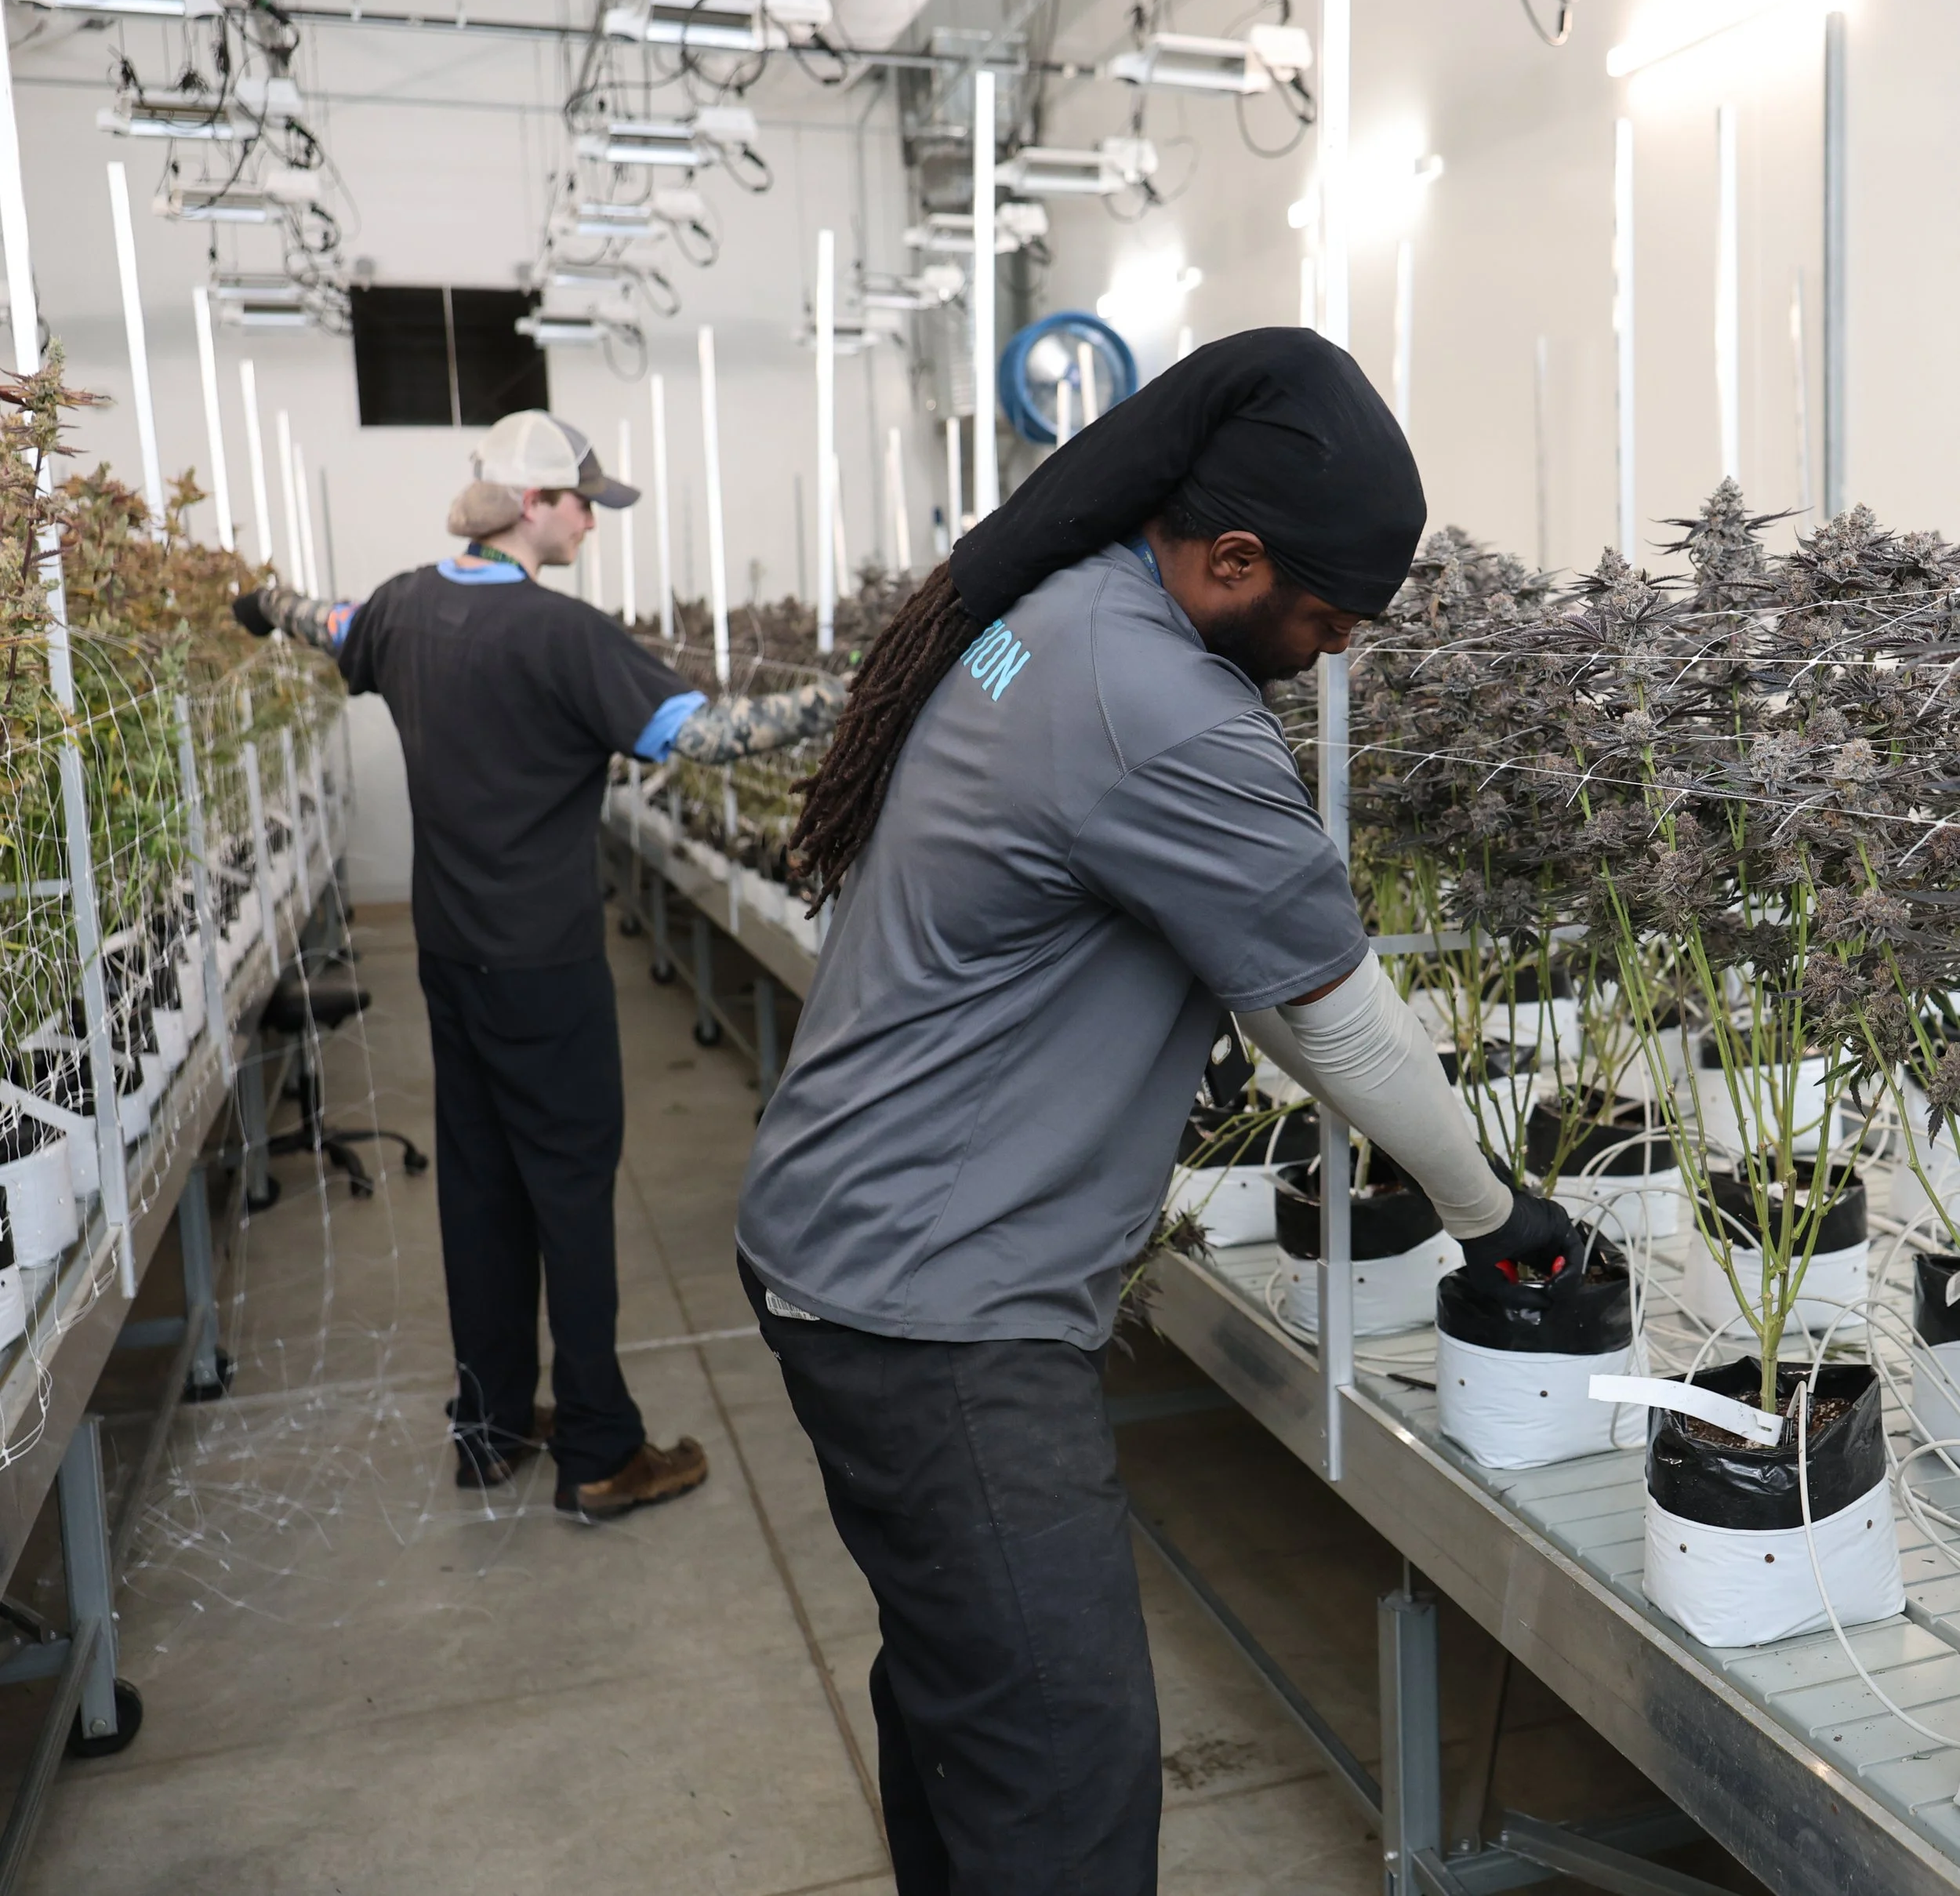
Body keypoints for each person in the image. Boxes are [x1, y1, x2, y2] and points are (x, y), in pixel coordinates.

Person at [735, 329, 1584, 1891]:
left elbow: (1218, 960)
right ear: (1234, 557)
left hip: (850, 1240)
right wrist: (1496, 1214)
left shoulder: (1056, 619)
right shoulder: (1155, 706)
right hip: (936, 1311)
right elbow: (1335, 1022)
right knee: (1060, 1781)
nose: (1328, 655)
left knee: (961, 1702)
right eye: (1322, 620)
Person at [234, 410, 841, 1520]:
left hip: (451, 956)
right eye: (581, 505)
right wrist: (854, 699)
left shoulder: (409, 604)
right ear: (534, 507)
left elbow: (327, 622)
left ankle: (491, 1424)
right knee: (570, 1193)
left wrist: (261, 604)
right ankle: (604, 1447)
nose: (590, 526)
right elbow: (702, 738)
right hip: (545, 965)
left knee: (479, 1188)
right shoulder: (565, 637)